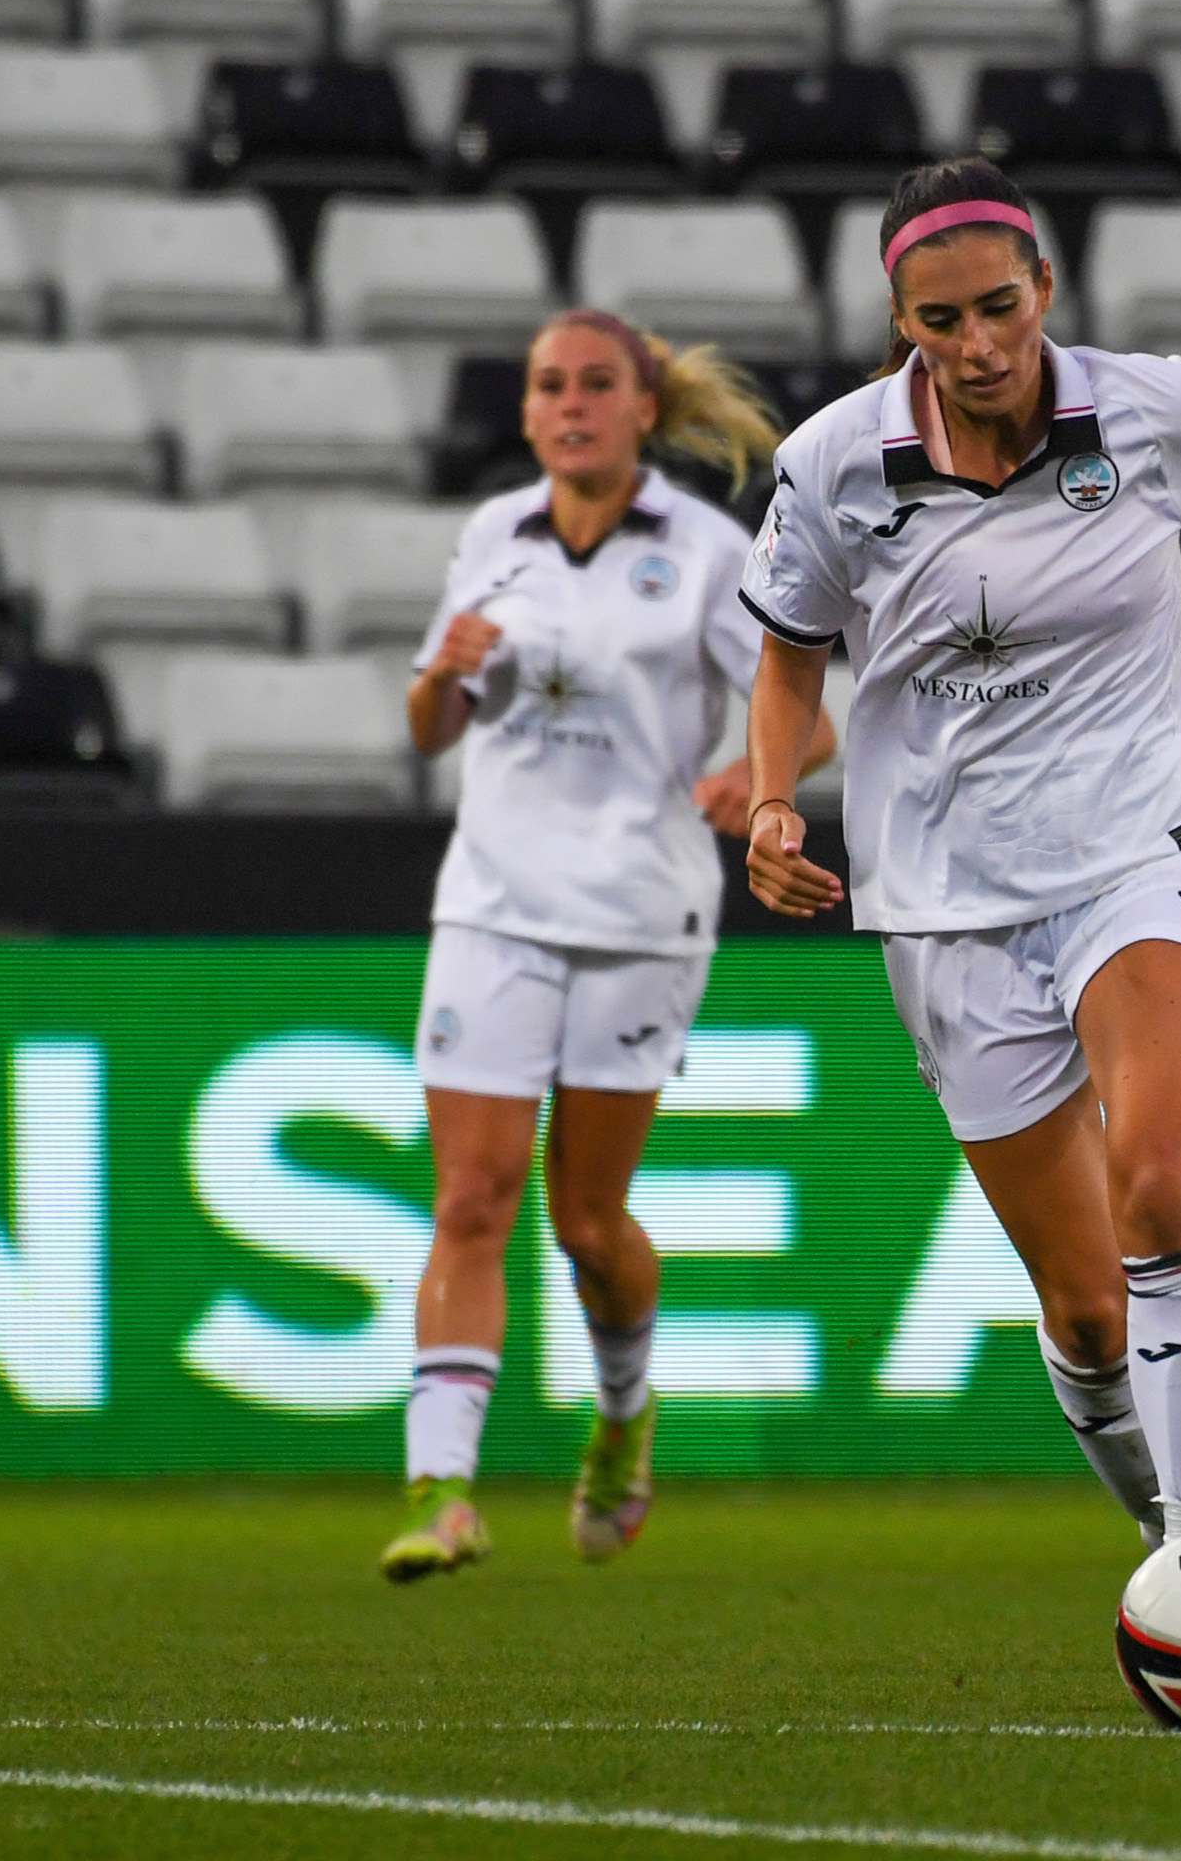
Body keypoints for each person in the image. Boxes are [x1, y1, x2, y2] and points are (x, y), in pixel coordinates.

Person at [738, 157, 1181, 1553]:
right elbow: (789, 658)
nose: (979, 346)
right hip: (944, 902)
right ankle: (1166, 1543)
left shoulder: (1159, 407)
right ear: (900, 319)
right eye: (941, 322)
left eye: (1001, 307)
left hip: (1141, 843)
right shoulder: (832, 465)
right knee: (1089, 1312)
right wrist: (765, 803)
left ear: (1046, 286)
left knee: (1162, 1186)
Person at [382, 308, 823, 1582]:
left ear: (644, 409)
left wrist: (754, 774)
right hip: (493, 904)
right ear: (525, 414)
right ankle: (442, 1491)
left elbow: (806, 719)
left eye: (593, 386)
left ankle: (625, 1415)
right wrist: (439, 678)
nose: (568, 405)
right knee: (471, 1198)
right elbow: (429, 731)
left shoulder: (704, 553)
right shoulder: (491, 539)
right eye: (546, 387)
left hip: (640, 912)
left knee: (586, 1222)